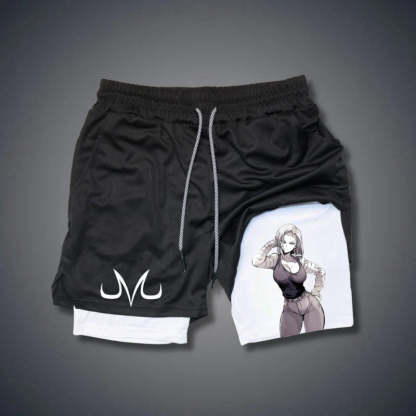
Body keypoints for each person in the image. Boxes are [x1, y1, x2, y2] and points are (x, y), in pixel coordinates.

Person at [252, 223, 326, 337]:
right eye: (284, 242)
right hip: (290, 307)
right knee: (286, 342)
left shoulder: (300, 261)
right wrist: (271, 244)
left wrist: (316, 293)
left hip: (310, 304)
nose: (286, 246)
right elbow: (256, 262)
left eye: (291, 243)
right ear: (279, 241)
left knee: (317, 340)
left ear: (296, 245)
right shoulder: (275, 259)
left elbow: (320, 271)